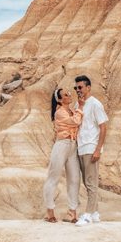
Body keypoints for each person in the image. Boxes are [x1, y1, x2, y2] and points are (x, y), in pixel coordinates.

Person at [73, 75, 108, 226]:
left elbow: (103, 127)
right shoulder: (78, 105)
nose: (78, 90)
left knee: (91, 182)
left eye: (80, 87)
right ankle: (95, 213)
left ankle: (87, 215)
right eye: (76, 88)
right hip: (80, 148)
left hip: (91, 146)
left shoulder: (95, 104)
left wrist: (98, 149)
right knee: (88, 183)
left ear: (88, 87)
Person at [43, 88, 83, 223]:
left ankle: (72, 213)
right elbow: (75, 122)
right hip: (62, 145)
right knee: (53, 178)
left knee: (74, 179)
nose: (69, 95)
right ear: (59, 99)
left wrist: (77, 110)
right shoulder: (60, 112)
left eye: (69, 94)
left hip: (72, 145)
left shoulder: (71, 110)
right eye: (66, 95)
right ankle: (50, 212)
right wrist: (80, 108)